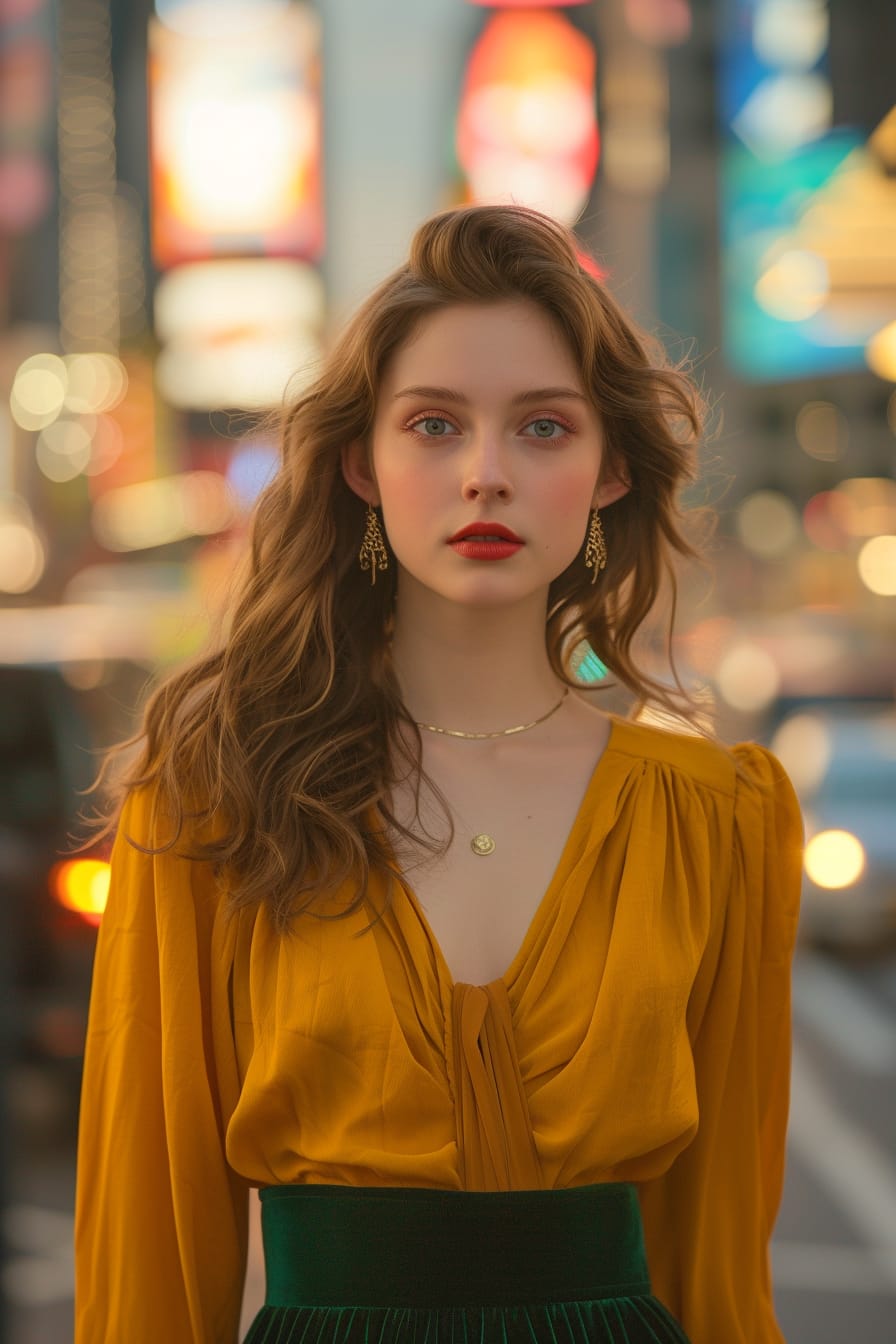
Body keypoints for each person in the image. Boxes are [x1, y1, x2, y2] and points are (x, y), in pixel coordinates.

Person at [74, 203, 803, 1344]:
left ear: (611, 469)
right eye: (432, 425)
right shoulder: (216, 792)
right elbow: (148, 1245)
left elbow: (719, 1260)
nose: (484, 475)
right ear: (362, 465)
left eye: (543, 429)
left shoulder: (713, 816)